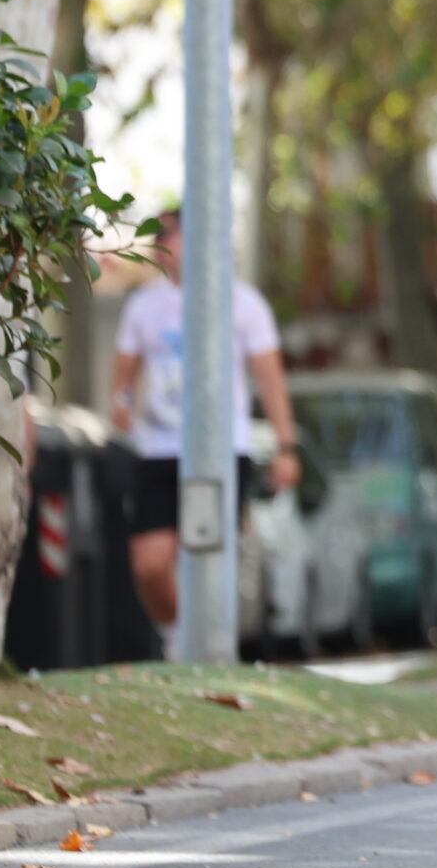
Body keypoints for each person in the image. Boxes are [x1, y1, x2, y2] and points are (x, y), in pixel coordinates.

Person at [109, 206, 298, 636]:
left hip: (218, 451)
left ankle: (210, 642)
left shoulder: (243, 303)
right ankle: (180, 637)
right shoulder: (143, 306)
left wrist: (286, 447)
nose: (158, 244)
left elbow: (270, 381)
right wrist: (121, 402)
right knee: (150, 564)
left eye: (166, 234)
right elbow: (124, 375)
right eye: (153, 236)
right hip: (159, 448)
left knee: (207, 554)